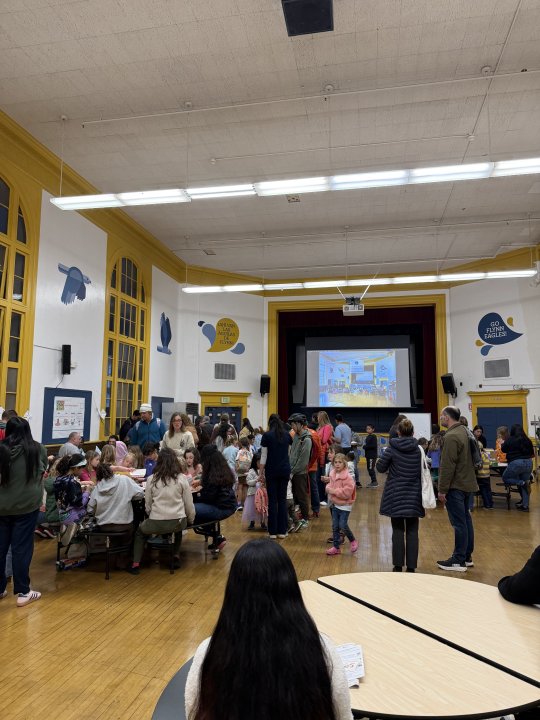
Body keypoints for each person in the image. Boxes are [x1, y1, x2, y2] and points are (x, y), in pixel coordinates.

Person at [185, 538, 353, 720]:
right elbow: (343, 715)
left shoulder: (210, 650)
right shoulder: (320, 648)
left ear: (233, 590)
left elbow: (192, 709)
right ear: (290, 590)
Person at [0, 417, 47, 607]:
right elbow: (42, 471)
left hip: (2, 506)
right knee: (21, 548)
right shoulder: (37, 449)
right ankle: (23, 591)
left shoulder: (1, 449)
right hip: (27, 506)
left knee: (1, 548)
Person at [128, 448, 195, 574]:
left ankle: (136, 563)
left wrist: (152, 516)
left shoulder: (151, 479)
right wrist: (190, 520)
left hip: (156, 521)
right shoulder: (181, 478)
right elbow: (189, 505)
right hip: (178, 522)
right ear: (175, 461)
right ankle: (175, 556)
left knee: (140, 532)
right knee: (178, 529)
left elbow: (147, 506)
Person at [376, 418, 423, 572]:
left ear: (398, 432)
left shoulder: (391, 448)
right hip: (414, 494)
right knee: (412, 531)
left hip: (395, 494)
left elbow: (381, 468)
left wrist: (378, 461)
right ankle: (411, 567)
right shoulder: (418, 449)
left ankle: (397, 565)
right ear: (413, 432)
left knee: (397, 530)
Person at [437, 406, 478, 572]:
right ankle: (466, 556)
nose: (440, 419)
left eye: (441, 416)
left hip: (456, 485)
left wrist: (442, 489)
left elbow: (447, 466)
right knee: (466, 521)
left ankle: (458, 560)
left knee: (459, 524)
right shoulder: (465, 431)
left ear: (447, 417)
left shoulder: (452, 436)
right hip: (468, 483)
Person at [191, 446, 237, 550]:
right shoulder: (221, 470)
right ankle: (217, 537)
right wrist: (202, 484)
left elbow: (208, 498)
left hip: (221, 508)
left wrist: (198, 493)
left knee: (190, 509)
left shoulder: (212, 475)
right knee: (194, 510)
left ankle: (217, 537)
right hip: (228, 505)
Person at [259, 414, 293, 539]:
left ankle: (272, 532)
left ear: (270, 423)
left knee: (272, 501)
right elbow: (288, 455)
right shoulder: (287, 435)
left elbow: (263, 457)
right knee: (282, 500)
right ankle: (282, 531)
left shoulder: (267, 436)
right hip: (284, 470)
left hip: (271, 471)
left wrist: (260, 473)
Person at [87, 462, 143, 531]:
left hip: (104, 527)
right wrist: (128, 496)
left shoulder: (97, 488)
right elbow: (140, 494)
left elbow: (90, 509)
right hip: (125, 525)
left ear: (98, 476)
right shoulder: (124, 479)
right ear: (112, 471)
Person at [323, 453, 358, 556]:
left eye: (340, 462)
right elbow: (330, 485)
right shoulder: (332, 473)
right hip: (335, 504)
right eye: (335, 462)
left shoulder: (348, 477)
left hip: (345, 505)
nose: (337, 464)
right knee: (335, 526)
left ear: (344, 464)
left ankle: (353, 541)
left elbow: (347, 493)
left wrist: (333, 491)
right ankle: (336, 547)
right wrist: (328, 488)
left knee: (342, 525)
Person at [501, 424, 534, 512]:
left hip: (516, 463)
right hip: (529, 462)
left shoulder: (510, 439)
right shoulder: (527, 440)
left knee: (506, 478)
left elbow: (503, 449)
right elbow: (532, 453)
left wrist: (503, 442)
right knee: (526, 484)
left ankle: (522, 482)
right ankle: (525, 506)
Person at [288, 413, 312, 530]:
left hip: (300, 473)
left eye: (293, 424)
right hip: (292, 471)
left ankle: (305, 519)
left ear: (300, 424)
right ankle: (297, 518)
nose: (292, 427)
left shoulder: (307, 440)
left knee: (302, 496)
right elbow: (292, 454)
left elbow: (303, 461)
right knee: (294, 496)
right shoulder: (296, 436)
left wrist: (293, 471)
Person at [242, 453, 267, 530]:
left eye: (261, 462)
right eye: (258, 462)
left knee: (262, 508)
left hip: (262, 494)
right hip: (253, 494)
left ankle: (263, 523)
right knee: (252, 508)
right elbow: (248, 482)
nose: (260, 464)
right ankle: (252, 522)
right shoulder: (252, 471)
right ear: (255, 462)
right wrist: (256, 480)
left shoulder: (265, 471)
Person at [235, 436, 252, 509]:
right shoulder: (249, 452)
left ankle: (239, 503)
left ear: (241, 444)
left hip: (240, 471)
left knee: (240, 487)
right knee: (245, 487)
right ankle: (245, 503)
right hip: (247, 471)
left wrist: (236, 468)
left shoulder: (240, 451)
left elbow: (237, 461)